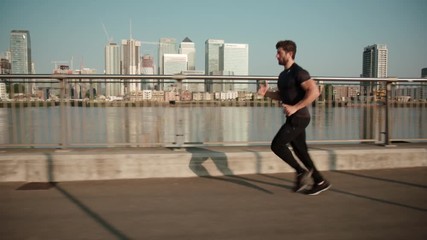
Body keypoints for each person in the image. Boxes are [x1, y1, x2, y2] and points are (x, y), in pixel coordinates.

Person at [258, 40, 331, 195]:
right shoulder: (283, 75)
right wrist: (267, 93)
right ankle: (320, 181)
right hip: (293, 118)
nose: (276, 55)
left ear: (289, 53)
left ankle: (300, 172)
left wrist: (295, 107)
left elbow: (314, 92)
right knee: (301, 152)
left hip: (300, 117)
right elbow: (281, 96)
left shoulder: (300, 72)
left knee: (277, 145)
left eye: (279, 52)